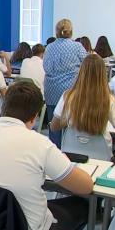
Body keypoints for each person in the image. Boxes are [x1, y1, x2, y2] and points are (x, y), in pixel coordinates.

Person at [0, 81, 93, 230]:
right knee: (84, 206)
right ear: (35, 116)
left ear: (3, 106)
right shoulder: (41, 144)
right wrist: (63, 162)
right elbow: (86, 186)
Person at [50, 54, 115, 159]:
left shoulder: (67, 96)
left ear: (81, 72)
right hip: (102, 157)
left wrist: (68, 120)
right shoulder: (109, 99)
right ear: (103, 74)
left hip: (71, 156)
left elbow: (54, 127)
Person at [43, 18, 87, 148]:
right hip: (71, 91)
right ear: (71, 31)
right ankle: (71, 150)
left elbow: (45, 67)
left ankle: (54, 153)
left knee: (54, 125)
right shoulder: (77, 47)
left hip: (52, 90)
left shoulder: (49, 47)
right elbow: (87, 64)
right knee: (72, 124)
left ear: (56, 32)